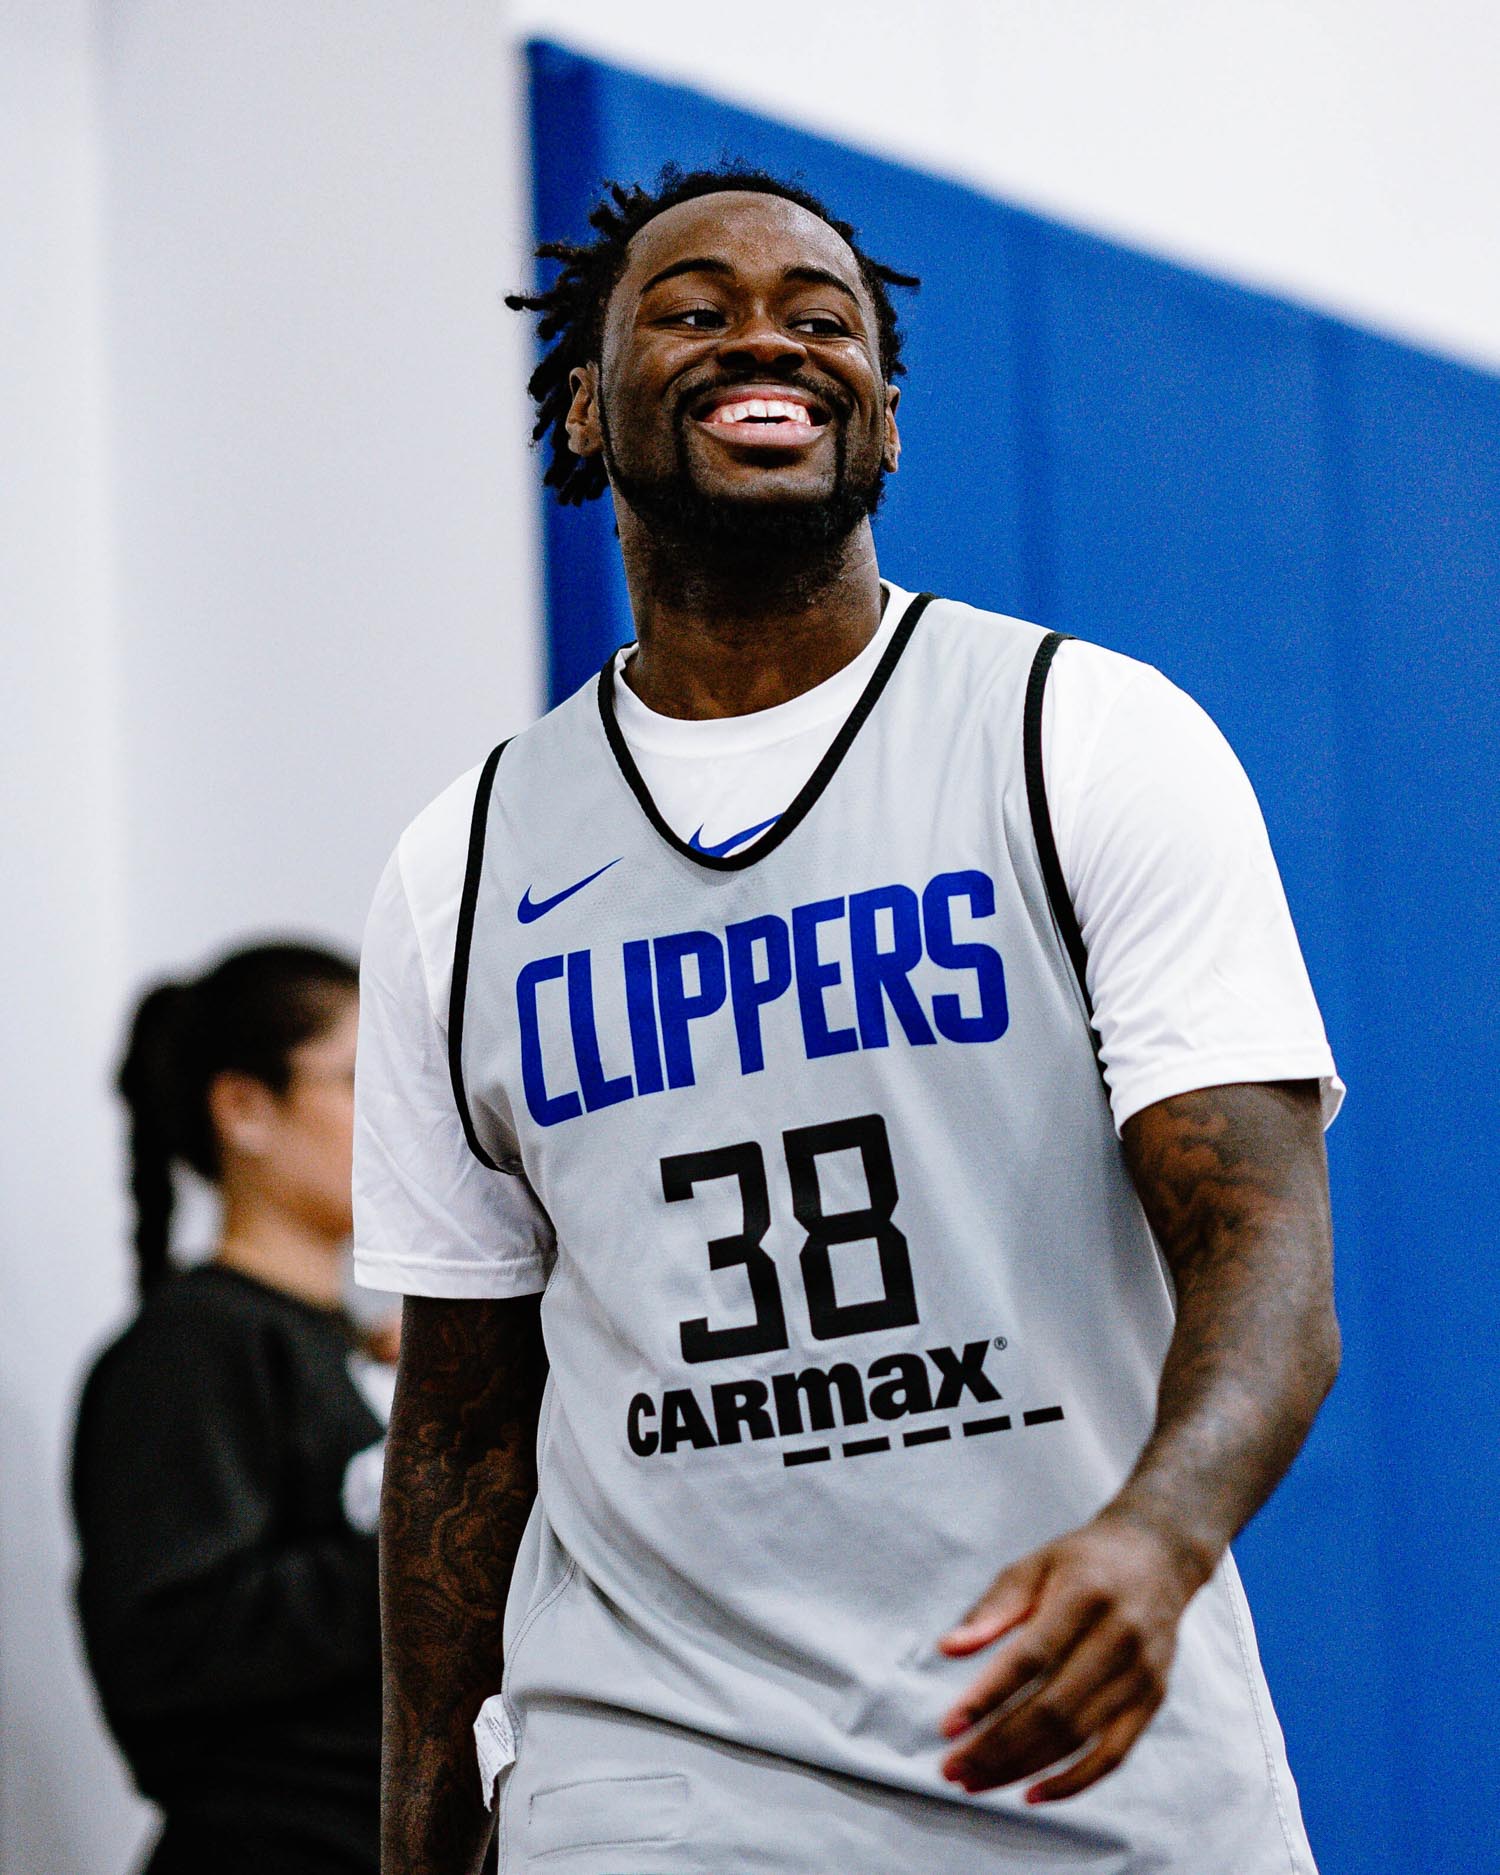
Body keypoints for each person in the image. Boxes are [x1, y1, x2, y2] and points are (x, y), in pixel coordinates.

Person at [353, 167, 1342, 1874]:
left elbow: (1263, 1262)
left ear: (885, 421)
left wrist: (1159, 1539)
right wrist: (427, 1816)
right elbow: (459, 1420)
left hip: (1075, 1751)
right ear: (584, 407)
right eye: (693, 306)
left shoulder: (1085, 737)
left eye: (824, 320)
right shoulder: (464, 865)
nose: (768, 337)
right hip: (654, 1775)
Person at [73, 942, 391, 1875]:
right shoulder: (190, 1346)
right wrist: (447, 1539)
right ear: (245, 1109)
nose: (398, 1115)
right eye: (359, 1078)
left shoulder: (354, 1346)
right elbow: (169, 1648)